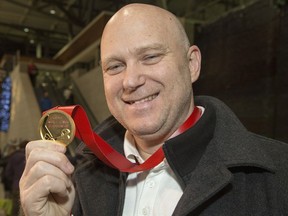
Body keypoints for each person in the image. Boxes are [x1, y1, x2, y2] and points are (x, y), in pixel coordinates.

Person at [19, 3, 288, 216]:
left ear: (192, 64)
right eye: (114, 66)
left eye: (150, 57)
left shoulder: (278, 175)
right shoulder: (76, 176)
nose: (131, 80)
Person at [4, 140, 28, 216]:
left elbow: (8, 173)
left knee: (15, 209)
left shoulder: (14, 156)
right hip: (29, 186)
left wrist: (13, 182)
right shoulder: (32, 155)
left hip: (16, 186)